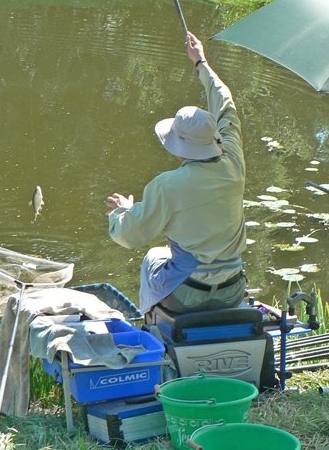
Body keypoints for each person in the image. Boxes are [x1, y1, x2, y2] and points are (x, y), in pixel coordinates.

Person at [105, 31, 247, 318]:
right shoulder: (233, 159)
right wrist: (201, 63)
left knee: (151, 258)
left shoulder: (167, 185)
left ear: (179, 145)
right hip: (233, 289)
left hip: (187, 295)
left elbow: (131, 234)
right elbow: (225, 103)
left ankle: (153, 326)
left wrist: (122, 212)